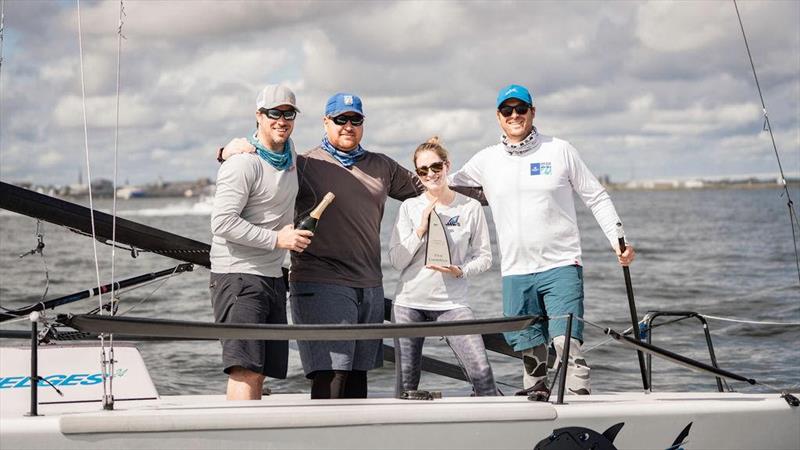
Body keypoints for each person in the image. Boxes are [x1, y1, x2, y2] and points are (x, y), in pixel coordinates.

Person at [220, 93, 422, 399]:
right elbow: (262, 161)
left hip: (369, 286)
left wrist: (488, 192)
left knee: (357, 379)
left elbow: (431, 187)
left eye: (355, 120)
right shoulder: (302, 164)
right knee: (332, 377)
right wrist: (226, 151)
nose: (348, 126)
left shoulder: (381, 165)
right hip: (320, 281)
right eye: (340, 119)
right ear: (326, 122)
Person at [450, 84, 636, 398]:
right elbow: (445, 187)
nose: (514, 116)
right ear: (498, 117)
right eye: (507, 110)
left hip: (561, 264)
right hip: (515, 269)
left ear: (532, 112)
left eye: (520, 109)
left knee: (565, 341)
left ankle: (579, 395)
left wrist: (620, 240)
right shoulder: (486, 160)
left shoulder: (559, 150)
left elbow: (596, 197)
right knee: (528, 344)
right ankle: (536, 396)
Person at [209, 84, 313, 400]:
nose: (281, 120)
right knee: (245, 369)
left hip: (271, 277)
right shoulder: (242, 162)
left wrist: (220, 151)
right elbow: (222, 222)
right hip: (237, 277)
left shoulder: (290, 154)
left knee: (261, 369)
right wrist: (277, 239)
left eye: (288, 113)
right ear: (259, 116)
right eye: (274, 113)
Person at [389, 137, 497, 396]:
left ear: (447, 166)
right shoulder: (409, 207)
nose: (430, 174)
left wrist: (461, 270)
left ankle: (490, 428)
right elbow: (396, 261)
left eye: (436, 167)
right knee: (406, 386)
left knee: (483, 375)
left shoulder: (470, 207)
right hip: (409, 304)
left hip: (452, 305)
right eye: (422, 170)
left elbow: (484, 257)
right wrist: (420, 229)